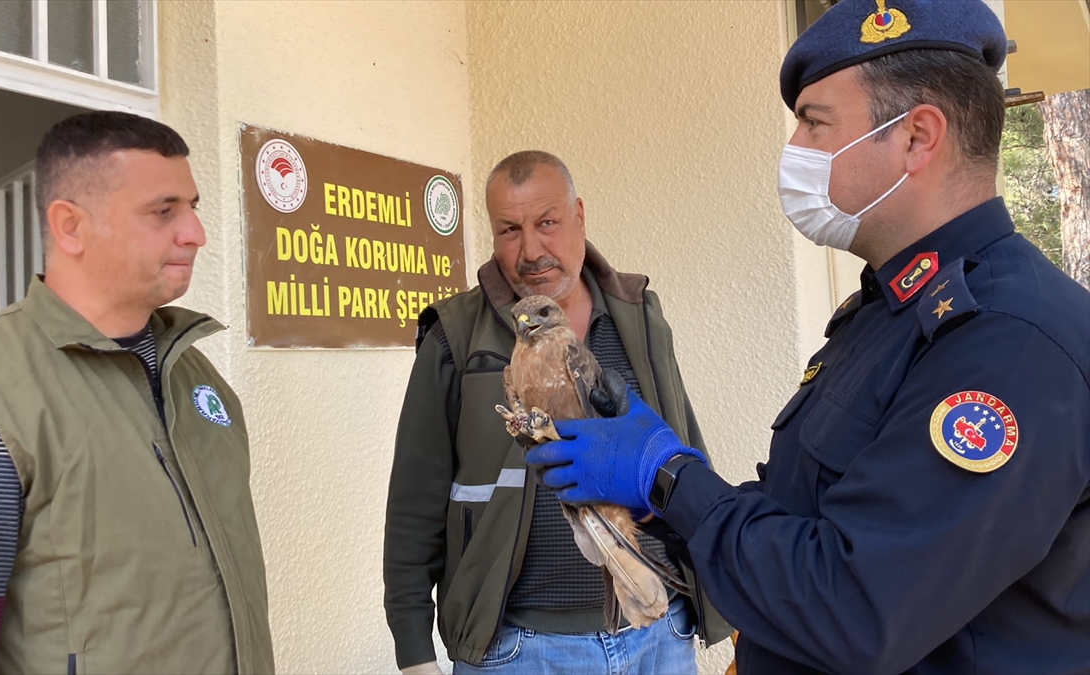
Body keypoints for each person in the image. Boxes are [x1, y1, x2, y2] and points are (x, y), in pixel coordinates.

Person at [526, 1, 1090, 673]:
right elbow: (807, 525)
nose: (794, 151)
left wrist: (671, 477)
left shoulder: (1009, 342)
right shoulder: (886, 313)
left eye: (814, 124)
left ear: (917, 137)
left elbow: (856, 606)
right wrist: (661, 501)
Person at [0, 111, 275, 674]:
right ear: (70, 226)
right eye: (163, 211)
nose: (195, 233)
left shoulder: (195, 376)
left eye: (192, 207)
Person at [383, 151, 730, 675]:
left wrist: (733, 590)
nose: (530, 250)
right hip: (521, 649)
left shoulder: (639, 314)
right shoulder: (456, 335)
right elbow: (415, 497)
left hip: (658, 631)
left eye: (547, 223)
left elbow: (685, 453)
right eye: (509, 230)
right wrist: (414, 651)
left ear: (579, 216)